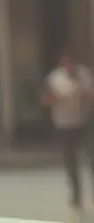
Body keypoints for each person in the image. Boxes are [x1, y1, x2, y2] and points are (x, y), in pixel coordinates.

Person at [42, 52, 94, 214]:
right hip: (64, 124)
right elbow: (45, 99)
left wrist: (83, 93)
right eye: (65, 64)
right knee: (71, 162)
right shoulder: (55, 78)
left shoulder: (84, 74)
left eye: (71, 63)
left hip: (84, 122)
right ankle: (76, 196)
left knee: (91, 158)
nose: (69, 66)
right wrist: (57, 97)